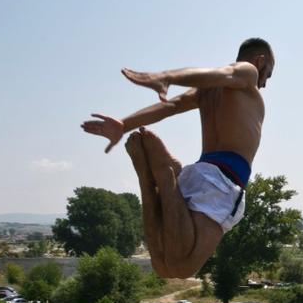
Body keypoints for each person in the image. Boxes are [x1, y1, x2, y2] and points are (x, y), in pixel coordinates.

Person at [81, 38, 275, 278]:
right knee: (183, 269)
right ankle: (166, 174)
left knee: (164, 266)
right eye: (268, 73)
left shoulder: (207, 90)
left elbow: (172, 105)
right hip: (224, 180)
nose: (264, 83)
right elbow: (226, 72)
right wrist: (167, 77)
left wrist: (124, 125)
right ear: (260, 61)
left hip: (200, 172)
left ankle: (154, 175)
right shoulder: (248, 73)